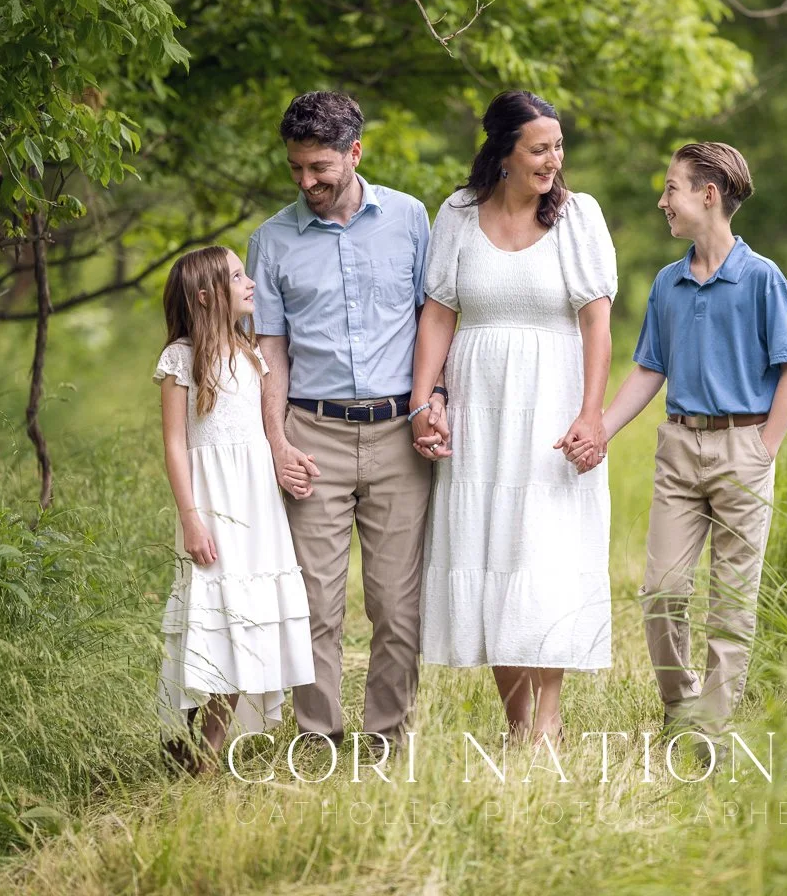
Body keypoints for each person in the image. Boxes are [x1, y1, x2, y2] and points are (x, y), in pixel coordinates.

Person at [565, 142, 787, 757]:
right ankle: (681, 707)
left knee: (732, 598)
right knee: (663, 590)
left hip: (742, 448)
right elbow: (650, 369)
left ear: (709, 195)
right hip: (679, 448)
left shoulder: (761, 279)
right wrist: (598, 427)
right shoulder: (668, 284)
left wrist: (764, 448)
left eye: (671, 188)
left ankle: (714, 728)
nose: (661, 201)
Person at [410, 90, 617, 745]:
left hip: (551, 404)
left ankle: (546, 726)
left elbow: (597, 321)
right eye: (539, 148)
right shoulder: (459, 214)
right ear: (503, 152)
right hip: (480, 407)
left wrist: (592, 414)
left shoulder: (578, 217)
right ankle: (518, 724)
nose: (553, 160)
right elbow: (439, 313)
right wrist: (423, 402)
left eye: (558, 147)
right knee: (492, 553)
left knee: (543, 559)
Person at [249, 91, 444, 750]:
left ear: (355, 153)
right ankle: (317, 740)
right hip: (312, 434)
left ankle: (388, 737)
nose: (306, 182)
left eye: (319, 169)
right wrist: (276, 441)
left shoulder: (413, 221)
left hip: (399, 434)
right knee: (314, 602)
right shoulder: (270, 241)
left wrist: (435, 399)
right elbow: (269, 349)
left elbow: (434, 324)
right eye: (296, 169)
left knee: (396, 604)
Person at [154, 245, 315, 777]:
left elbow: (267, 433)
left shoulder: (251, 354)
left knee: (246, 623)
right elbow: (176, 445)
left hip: (257, 507)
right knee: (211, 620)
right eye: (238, 276)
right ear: (206, 296)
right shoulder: (182, 357)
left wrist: (285, 466)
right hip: (213, 507)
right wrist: (190, 516)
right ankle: (188, 740)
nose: (250, 282)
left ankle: (211, 750)